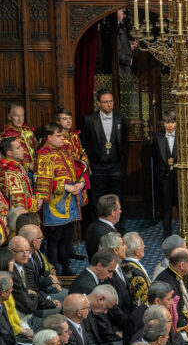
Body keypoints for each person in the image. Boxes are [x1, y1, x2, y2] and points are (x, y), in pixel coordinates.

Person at [34, 125, 86, 276]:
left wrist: (80, 184)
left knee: (67, 237)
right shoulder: (43, 155)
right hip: (54, 205)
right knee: (55, 239)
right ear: (49, 137)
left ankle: (66, 268)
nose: (63, 138)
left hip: (70, 203)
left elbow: (77, 170)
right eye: (59, 135)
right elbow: (44, 182)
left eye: (63, 135)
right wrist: (66, 187)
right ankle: (53, 271)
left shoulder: (65, 150)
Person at [82, 89, 127, 223]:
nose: (109, 104)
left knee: (117, 196)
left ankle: (118, 226)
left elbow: (123, 142)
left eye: (111, 101)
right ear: (99, 104)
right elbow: (85, 142)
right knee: (97, 197)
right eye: (105, 102)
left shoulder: (120, 118)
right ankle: (98, 226)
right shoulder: (89, 119)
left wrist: (121, 162)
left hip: (115, 165)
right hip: (97, 165)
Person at [151, 111, 178, 238]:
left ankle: (184, 234)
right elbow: (154, 158)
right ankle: (167, 235)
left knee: (180, 206)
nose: (170, 125)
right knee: (166, 207)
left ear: (176, 123)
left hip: (179, 178)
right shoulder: (157, 137)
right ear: (163, 123)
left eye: (172, 122)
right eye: (167, 122)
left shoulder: (182, 137)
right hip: (164, 178)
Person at [0, 137, 39, 214]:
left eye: (21, 146)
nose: (22, 149)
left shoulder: (18, 165)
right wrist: (35, 203)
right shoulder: (9, 171)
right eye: (18, 148)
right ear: (9, 153)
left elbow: (28, 189)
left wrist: (38, 197)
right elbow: (18, 202)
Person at [83, 194, 119, 261]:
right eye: (119, 209)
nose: (120, 211)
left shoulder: (90, 228)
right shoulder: (109, 234)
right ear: (113, 212)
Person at [120, 232, 151, 308]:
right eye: (142, 244)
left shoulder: (125, 263)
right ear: (136, 251)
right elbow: (141, 301)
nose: (144, 246)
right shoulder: (135, 272)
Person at [1, 105, 35, 172]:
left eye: (22, 116)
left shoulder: (29, 132)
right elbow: (4, 159)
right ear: (9, 117)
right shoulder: (5, 135)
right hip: (17, 171)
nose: (20, 119)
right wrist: (28, 165)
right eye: (16, 116)